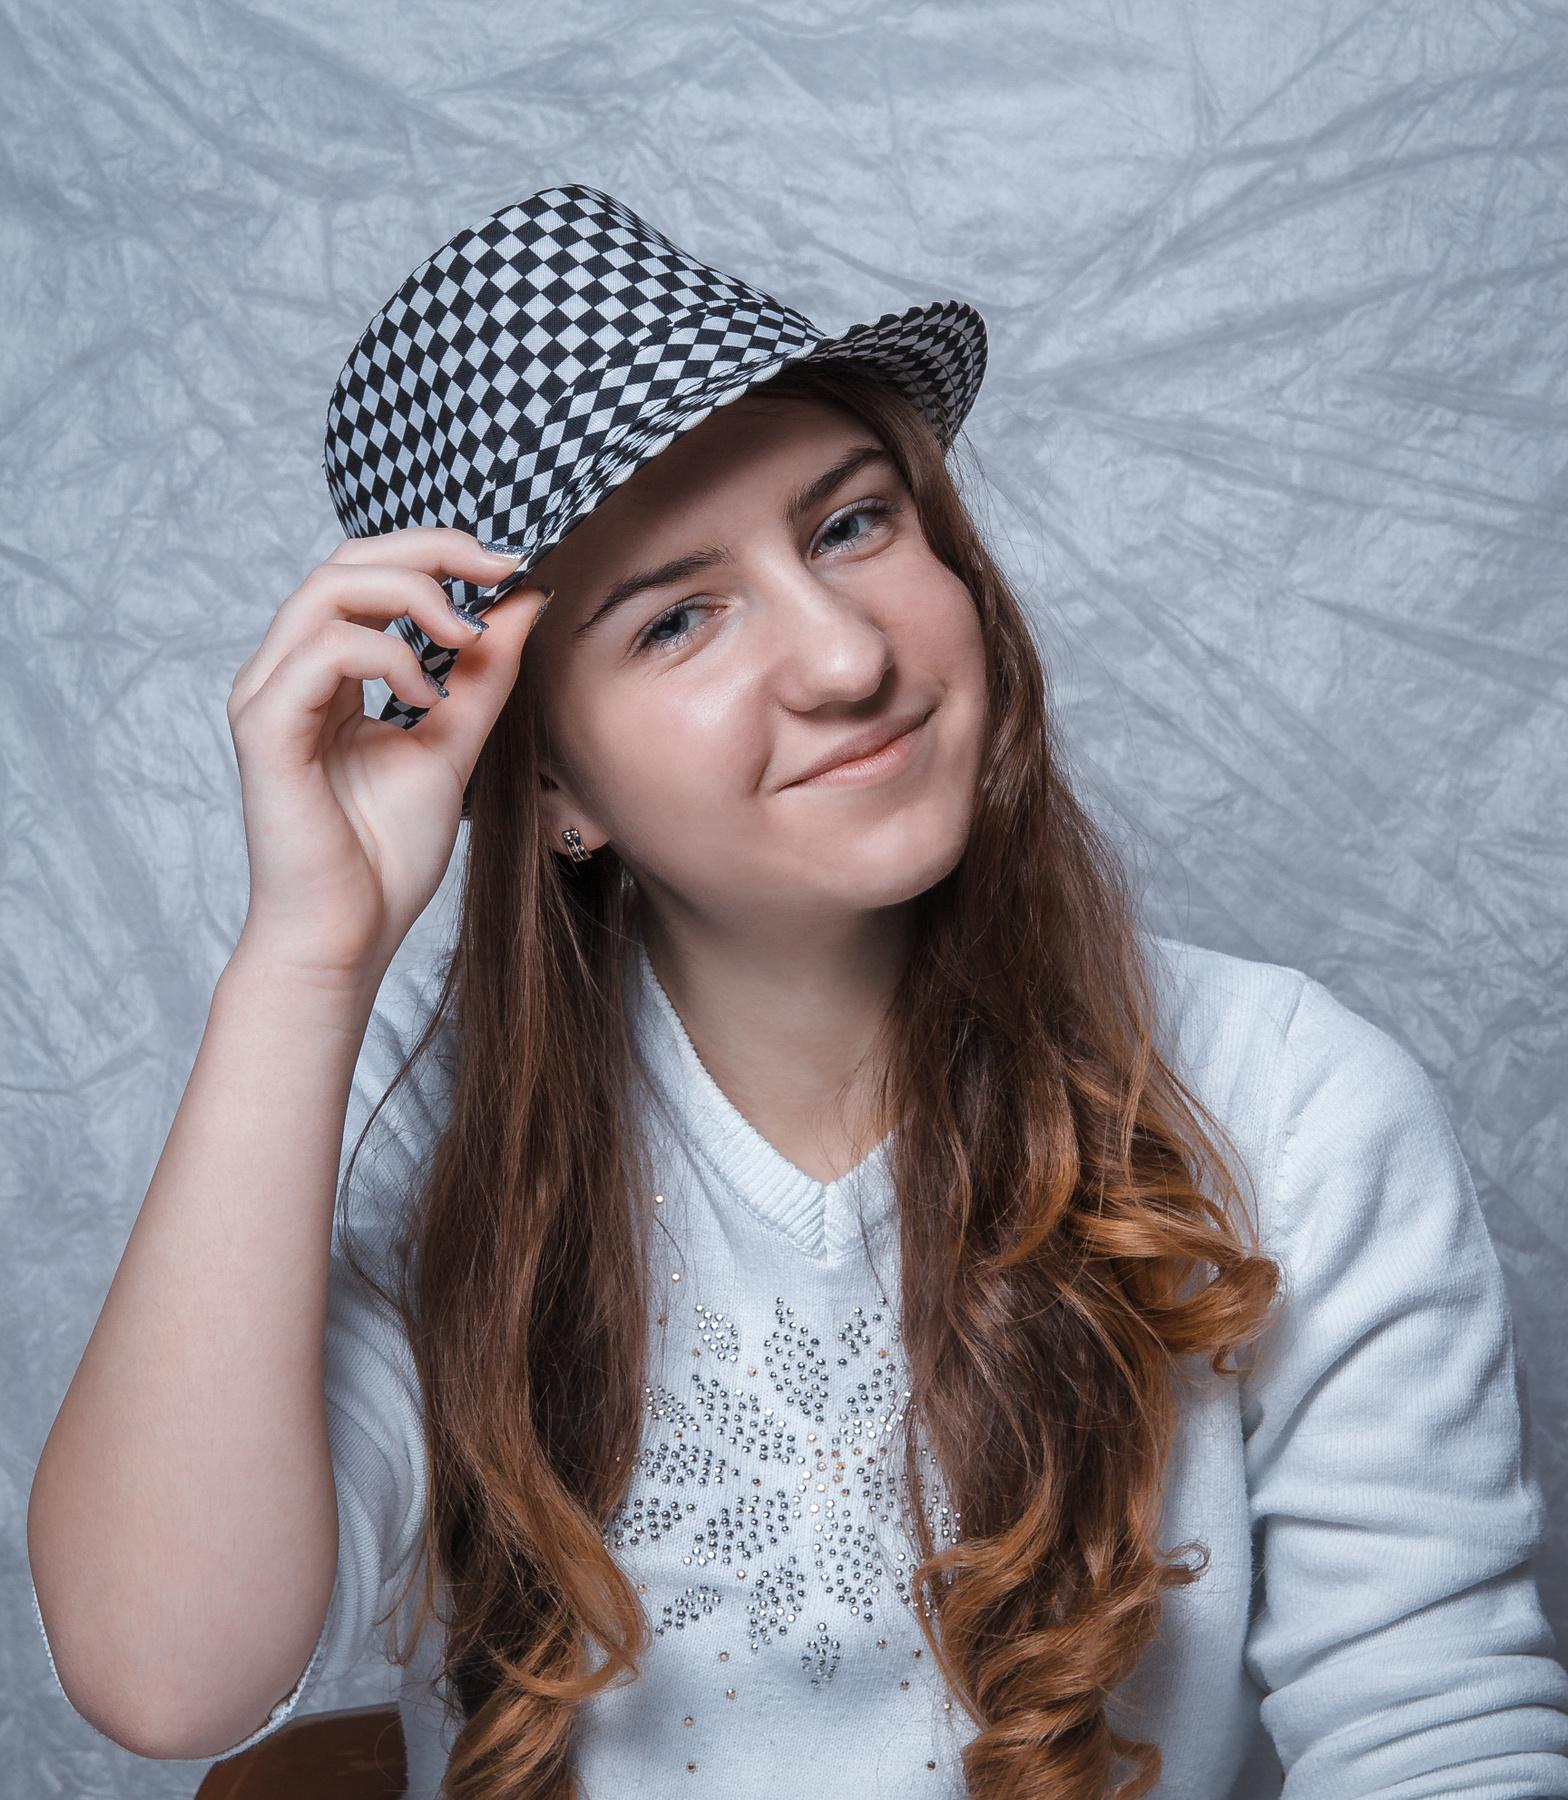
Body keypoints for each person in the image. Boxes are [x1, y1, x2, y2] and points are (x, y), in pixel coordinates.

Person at [26, 187, 1568, 1800]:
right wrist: (305, 956)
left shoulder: (1289, 1104)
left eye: (850, 524)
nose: (846, 659)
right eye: (677, 618)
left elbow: (1437, 1738)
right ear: (551, 782)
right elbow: (165, 1674)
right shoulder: (423, 1145)